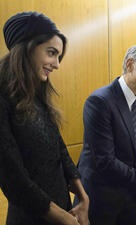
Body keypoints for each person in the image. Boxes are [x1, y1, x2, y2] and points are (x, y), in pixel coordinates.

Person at [0, 12, 89, 225]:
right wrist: (64, 219)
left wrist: (82, 196)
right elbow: (14, 180)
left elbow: (58, 147)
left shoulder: (35, 93)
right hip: (32, 216)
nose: (56, 64)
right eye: (51, 53)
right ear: (27, 48)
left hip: (62, 210)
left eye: (58, 56)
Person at [74, 43, 136, 225]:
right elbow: (106, 162)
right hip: (102, 199)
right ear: (130, 65)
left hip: (131, 196)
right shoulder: (99, 101)